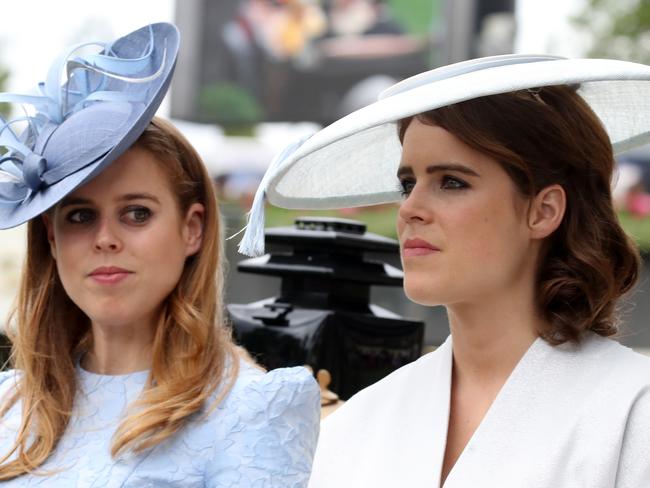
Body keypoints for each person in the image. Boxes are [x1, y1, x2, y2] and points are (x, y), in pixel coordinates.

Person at [239, 54, 650, 487]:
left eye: (451, 181)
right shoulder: (362, 419)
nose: (410, 209)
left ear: (542, 210)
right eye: (407, 184)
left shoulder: (631, 411)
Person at [0, 23, 320, 486]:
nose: (105, 238)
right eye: (80, 217)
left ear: (192, 229)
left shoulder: (252, 408)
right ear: (50, 238)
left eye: (135, 213)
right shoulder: (11, 404)